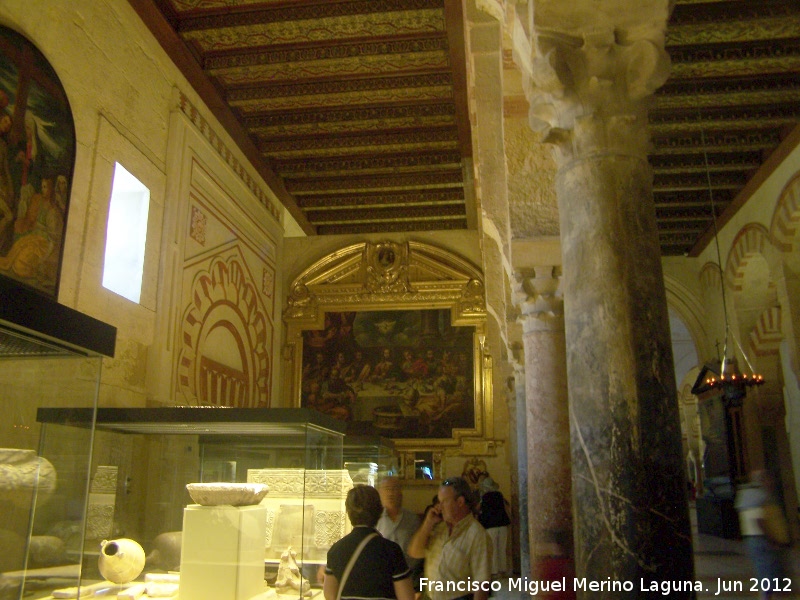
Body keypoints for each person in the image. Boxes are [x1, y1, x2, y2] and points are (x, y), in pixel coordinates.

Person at [324, 485, 414, 600]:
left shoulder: (336, 550)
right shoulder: (391, 550)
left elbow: (329, 595)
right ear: (379, 511)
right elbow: (407, 597)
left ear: (349, 512)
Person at [408, 476, 491, 600]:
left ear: (460, 502)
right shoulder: (438, 527)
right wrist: (427, 524)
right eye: (439, 502)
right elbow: (415, 552)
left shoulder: (477, 534)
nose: (439, 507)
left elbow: (481, 584)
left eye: (444, 502)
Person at [734, 470, 789, 599]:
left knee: (768, 575)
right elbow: (759, 520)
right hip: (763, 540)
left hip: (757, 540)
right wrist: (772, 539)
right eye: (767, 479)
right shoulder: (757, 495)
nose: (771, 482)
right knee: (769, 574)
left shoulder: (748, 495)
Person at [377, 477, 423, 590]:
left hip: (410, 578)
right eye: (387, 489)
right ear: (380, 492)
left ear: (401, 493)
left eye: (394, 489)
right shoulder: (375, 519)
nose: (391, 493)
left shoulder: (412, 519)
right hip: (383, 579)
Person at [477, 476, 511, 578]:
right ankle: (503, 569)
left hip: (490, 525)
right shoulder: (499, 495)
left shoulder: (485, 497)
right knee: (502, 548)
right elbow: (506, 508)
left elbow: (479, 509)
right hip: (502, 524)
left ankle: (495, 571)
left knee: (493, 549)